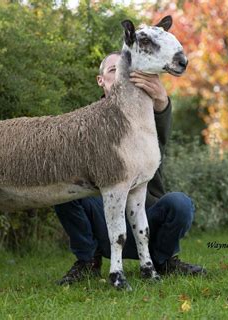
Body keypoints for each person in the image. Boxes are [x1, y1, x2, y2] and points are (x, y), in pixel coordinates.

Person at [54, 52, 206, 285]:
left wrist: (162, 101)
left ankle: (163, 260)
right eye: (114, 70)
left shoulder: (145, 111)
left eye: (125, 69)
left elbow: (160, 141)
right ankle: (87, 262)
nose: (121, 73)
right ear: (100, 80)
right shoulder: (86, 120)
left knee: (180, 203)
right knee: (62, 190)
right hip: (103, 218)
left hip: (148, 214)